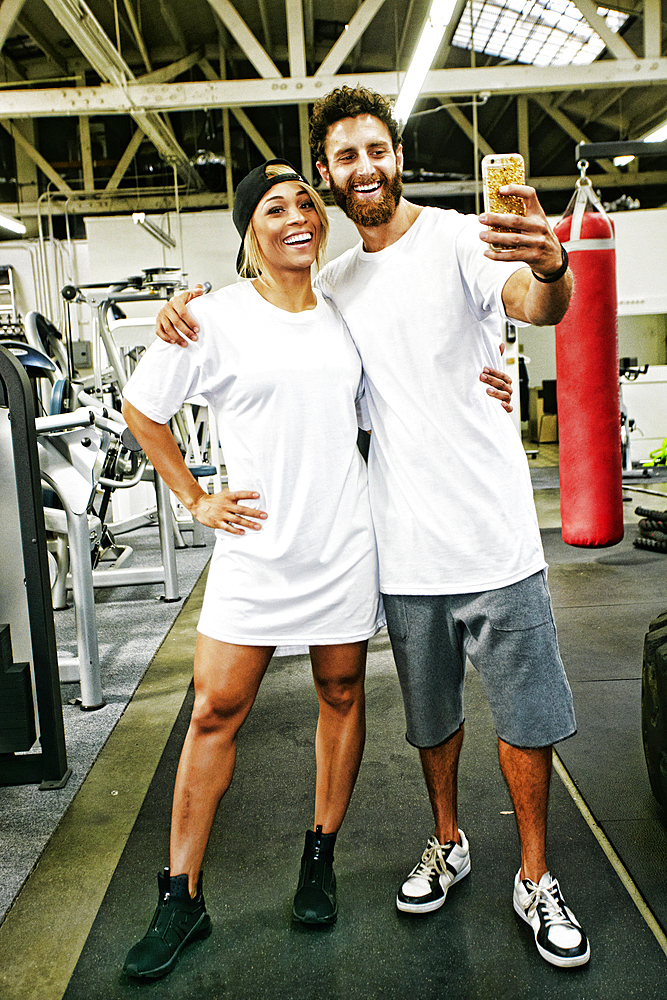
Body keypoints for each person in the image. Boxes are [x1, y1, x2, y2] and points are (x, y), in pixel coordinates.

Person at [154, 87, 588, 970]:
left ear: (397, 155)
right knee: (428, 724)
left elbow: (536, 307)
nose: (363, 168)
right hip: (397, 547)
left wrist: (549, 268)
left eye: (376, 150)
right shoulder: (336, 285)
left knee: (522, 720)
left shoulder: (463, 236)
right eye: (344, 157)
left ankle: (535, 877)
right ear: (328, 173)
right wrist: (183, 322)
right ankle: (447, 842)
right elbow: (323, 387)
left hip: (493, 537)